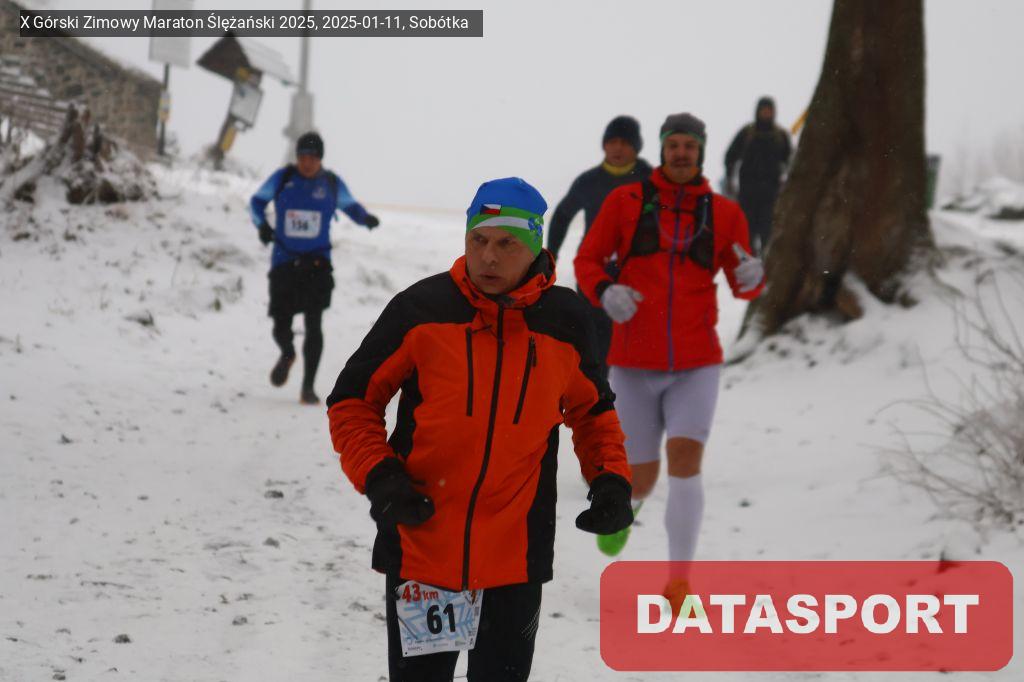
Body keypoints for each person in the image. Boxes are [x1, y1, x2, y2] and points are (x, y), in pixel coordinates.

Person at [326, 177, 633, 681]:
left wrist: (611, 480)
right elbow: (352, 401)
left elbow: (592, 412)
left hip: (516, 557)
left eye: (507, 243)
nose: (488, 256)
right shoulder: (422, 310)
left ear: (535, 248)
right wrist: (380, 477)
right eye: (478, 240)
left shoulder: (564, 321)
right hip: (424, 546)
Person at [574, 113, 765, 609]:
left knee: (685, 461)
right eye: (674, 145)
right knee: (640, 478)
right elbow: (587, 260)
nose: (681, 153)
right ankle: (627, 512)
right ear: (661, 150)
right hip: (632, 364)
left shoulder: (725, 214)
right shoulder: (625, 201)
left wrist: (753, 275)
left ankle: (679, 580)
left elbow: (745, 284)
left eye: (689, 146)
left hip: (697, 363)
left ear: (701, 152)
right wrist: (605, 290)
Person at [249, 132, 379, 405]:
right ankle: (287, 352)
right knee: (280, 321)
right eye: (303, 157)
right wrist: (262, 225)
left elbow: (350, 205)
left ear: (320, 159)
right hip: (284, 261)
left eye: (312, 158)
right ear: (297, 157)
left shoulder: (330, 183)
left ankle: (308, 387)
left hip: (317, 264)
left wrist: (365, 218)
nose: (307, 163)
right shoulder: (283, 178)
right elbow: (257, 201)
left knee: (314, 323)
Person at [548, 116, 653, 381]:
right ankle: (594, 392)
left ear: (636, 147)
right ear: (604, 145)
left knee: (633, 346)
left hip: (637, 276)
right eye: (612, 142)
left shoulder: (651, 181)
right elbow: (562, 216)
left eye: (625, 143)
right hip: (593, 271)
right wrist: (552, 254)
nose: (617, 148)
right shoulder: (589, 181)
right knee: (591, 343)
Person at [724, 96, 792, 255]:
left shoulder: (780, 136)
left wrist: (786, 183)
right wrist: (729, 179)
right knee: (746, 236)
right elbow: (730, 157)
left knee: (768, 236)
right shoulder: (747, 133)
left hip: (771, 196)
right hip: (747, 195)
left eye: (769, 111)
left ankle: (766, 266)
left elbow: (790, 162)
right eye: (763, 110)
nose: (766, 114)